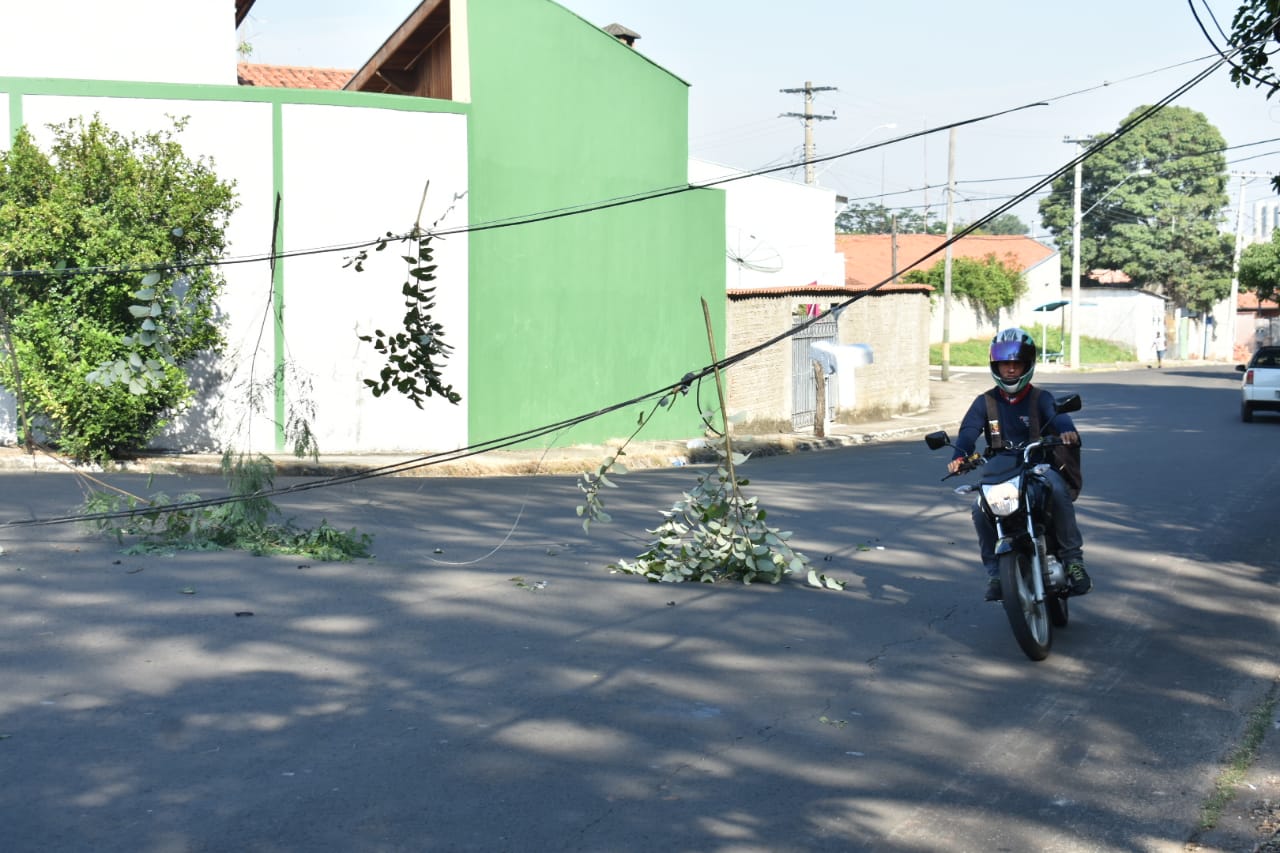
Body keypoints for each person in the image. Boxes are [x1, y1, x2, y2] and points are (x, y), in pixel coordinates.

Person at [946, 328, 1092, 602]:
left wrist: (1066, 432)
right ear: (995, 366)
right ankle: (995, 573)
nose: (1011, 369)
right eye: (1005, 364)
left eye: (1017, 363)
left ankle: (1074, 561)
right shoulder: (985, 402)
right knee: (979, 508)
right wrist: (959, 455)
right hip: (1000, 472)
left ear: (1028, 365)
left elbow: (1059, 417)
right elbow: (968, 432)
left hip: (1036, 467)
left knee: (1057, 489)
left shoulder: (1041, 398)